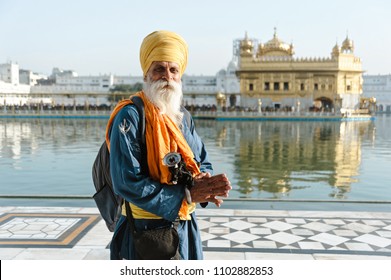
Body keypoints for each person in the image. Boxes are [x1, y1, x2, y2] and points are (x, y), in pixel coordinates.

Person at [107, 30, 232, 260]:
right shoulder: (131, 116)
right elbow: (125, 181)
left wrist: (204, 181)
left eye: (173, 70)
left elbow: (202, 159)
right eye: (159, 69)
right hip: (144, 233)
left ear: (180, 76)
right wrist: (186, 194)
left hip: (184, 229)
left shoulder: (182, 117)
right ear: (146, 75)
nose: (167, 76)